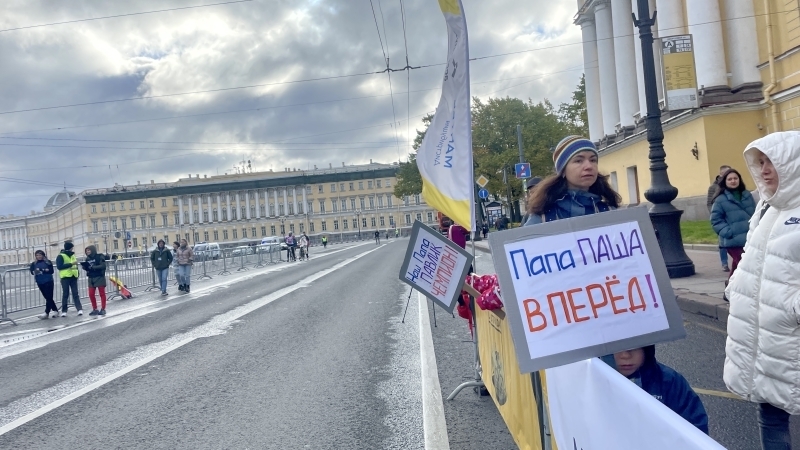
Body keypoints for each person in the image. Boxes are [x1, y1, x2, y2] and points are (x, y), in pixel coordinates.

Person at [724, 132, 800, 450]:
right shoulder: (765, 208)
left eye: (772, 161)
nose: (765, 169)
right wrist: (735, 287)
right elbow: (751, 256)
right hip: (764, 332)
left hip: (790, 330)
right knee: (770, 415)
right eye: (761, 162)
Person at [524, 135, 620, 226]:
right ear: (563, 170)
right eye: (578, 161)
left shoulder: (610, 211)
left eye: (593, 160)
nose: (589, 166)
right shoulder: (542, 217)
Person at [614, 346, 709, 434]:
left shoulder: (669, 381)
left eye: (635, 347)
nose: (625, 355)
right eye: (616, 347)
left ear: (647, 348)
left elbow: (695, 430)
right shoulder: (598, 385)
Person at [710, 168, 755, 287]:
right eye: (730, 179)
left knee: (738, 265)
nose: (733, 181)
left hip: (749, 238)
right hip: (733, 241)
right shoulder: (720, 200)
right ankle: (735, 288)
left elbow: (755, 213)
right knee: (744, 265)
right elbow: (716, 220)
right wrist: (729, 232)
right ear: (724, 181)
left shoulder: (747, 195)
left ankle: (729, 287)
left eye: (735, 178)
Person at [708, 165, 732, 272]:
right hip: (721, 218)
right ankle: (724, 263)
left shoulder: (734, 184)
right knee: (722, 242)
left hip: (733, 217)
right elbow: (709, 203)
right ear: (721, 174)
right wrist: (715, 216)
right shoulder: (713, 188)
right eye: (727, 173)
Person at [56, 241, 82, 317]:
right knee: (65, 294)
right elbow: (59, 266)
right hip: (65, 277)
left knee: (75, 294)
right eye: (71, 247)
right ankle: (64, 310)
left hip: (73, 276)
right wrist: (71, 264)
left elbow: (76, 266)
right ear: (70, 248)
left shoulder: (72, 255)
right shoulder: (61, 256)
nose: (72, 249)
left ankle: (79, 309)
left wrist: (77, 274)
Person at [80, 245, 107, 316]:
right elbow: (88, 268)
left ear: (92, 250)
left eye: (88, 250)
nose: (87, 252)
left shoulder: (99, 256)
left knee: (102, 294)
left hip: (99, 277)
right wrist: (85, 267)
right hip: (91, 278)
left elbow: (103, 265)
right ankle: (95, 309)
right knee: (91, 294)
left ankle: (103, 309)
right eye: (86, 251)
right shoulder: (87, 259)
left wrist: (93, 267)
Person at [30, 250, 58, 319]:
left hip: (48, 281)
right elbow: (31, 271)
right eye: (37, 255)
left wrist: (43, 270)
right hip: (40, 281)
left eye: (40, 255)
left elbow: (51, 271)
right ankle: (55, 310)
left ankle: (47, 312)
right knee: (47, 297)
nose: (38, 256)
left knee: (49, 297)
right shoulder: (34, 263)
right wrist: (36, 271)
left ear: (43, 255)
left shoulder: (47, 262)